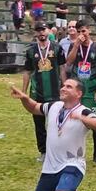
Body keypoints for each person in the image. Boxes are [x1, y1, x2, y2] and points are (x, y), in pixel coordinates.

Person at [10, 80, 96, 191]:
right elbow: (34, 107)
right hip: (50, 167)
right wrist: (24, 98)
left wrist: (81, 118)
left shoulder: (83, 111)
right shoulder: (54, 106)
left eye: (69, 87)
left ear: (79, 94)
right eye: (63, 86)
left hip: (73, 164)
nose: (63, 88)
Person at [23, 21, 66, 162]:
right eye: (38, 30)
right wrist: (23, 92)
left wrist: (65, 86)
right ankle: (43, 151)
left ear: (48, 31)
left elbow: (62, 68)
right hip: (37, 93)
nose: (41, 32)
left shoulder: (57, 48)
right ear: (35, 32)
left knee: (56, 123)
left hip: (54, 92)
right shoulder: (31, 51)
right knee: (39, 123)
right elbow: (27, 72)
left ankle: (56, 150)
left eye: (43, 29)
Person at [66, 19, 96, 163]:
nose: (82, 34)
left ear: (88, 30)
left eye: (84, 31)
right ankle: (72, 151)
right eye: (79, 32)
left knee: (94, 120)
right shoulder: (74, 45)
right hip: (77, 90)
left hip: (92, 88)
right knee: (73, 121)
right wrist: (76, 45)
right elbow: (69, 62)